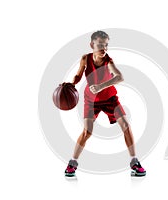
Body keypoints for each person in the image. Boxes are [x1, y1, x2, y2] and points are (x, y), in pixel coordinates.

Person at [65, 30, 146, 177]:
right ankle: (72, 163)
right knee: (87, 132)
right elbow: (78, 75)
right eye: (100, 45)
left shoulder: (109, 61)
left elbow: (120, 76)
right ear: (92, 45)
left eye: (106, 45)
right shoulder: (85, 59)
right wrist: (71, 84)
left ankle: (134, 161)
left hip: (109, 99)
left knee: (126, 126)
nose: (104, 49)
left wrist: (100, 87)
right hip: (91, 100)